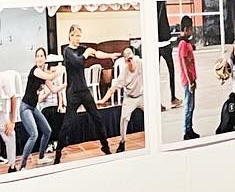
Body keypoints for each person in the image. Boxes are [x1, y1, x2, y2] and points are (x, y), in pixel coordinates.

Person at [52, 23, 113, 163]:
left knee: (98, 119)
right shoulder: (67, 51)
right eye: (77, 36)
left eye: (80, 36)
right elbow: (78, 62)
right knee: (67, 124)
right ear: (71, 36)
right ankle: (58, 154)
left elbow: (96, 53)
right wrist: (86, 54)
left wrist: (109, 55)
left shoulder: (81, 49)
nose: (79, 38)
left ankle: (105, 147)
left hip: (84, 91)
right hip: (73, 93)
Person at [13, 47, 57, 171]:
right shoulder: (36, 71)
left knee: (47, 131)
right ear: (35, 59)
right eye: (37, 56)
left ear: (45, 58)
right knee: (34, 134)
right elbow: (51, 77)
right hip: (25, 107)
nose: (39, 58)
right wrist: (60, 70)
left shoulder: (43, 74)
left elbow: (53, 89)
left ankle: (41, 157)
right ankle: (22, 165)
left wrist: (66, 84)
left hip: (33, 107)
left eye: (41, 56)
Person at [105, 43, 144, 153]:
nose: (131, 62)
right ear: (125, 61)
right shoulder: (124, 73)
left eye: (131, 59)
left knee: (151, 113)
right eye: (128, 60)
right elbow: (112, 89)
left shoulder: (141, 63)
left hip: (141, 96)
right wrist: (103, 100)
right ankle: (122, 141)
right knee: (124, 118)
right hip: (130, 98)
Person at [176, 15, 198, 141]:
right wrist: (190, 81)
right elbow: (185, 64)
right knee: (188, 106)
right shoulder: (183, 44)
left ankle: (190, 128)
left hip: (191, 78)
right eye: (190, 29)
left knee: (191, 105)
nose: (192, 31)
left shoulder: (186, 43)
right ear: (186, 29)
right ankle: (187, 131)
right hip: (187, 79)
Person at [154, 1, 179, 107]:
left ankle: (158, 102)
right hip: (164, 42)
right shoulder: (160, 3)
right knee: (171, 70)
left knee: (156, 74)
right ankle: (173, 98)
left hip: (156, 42)